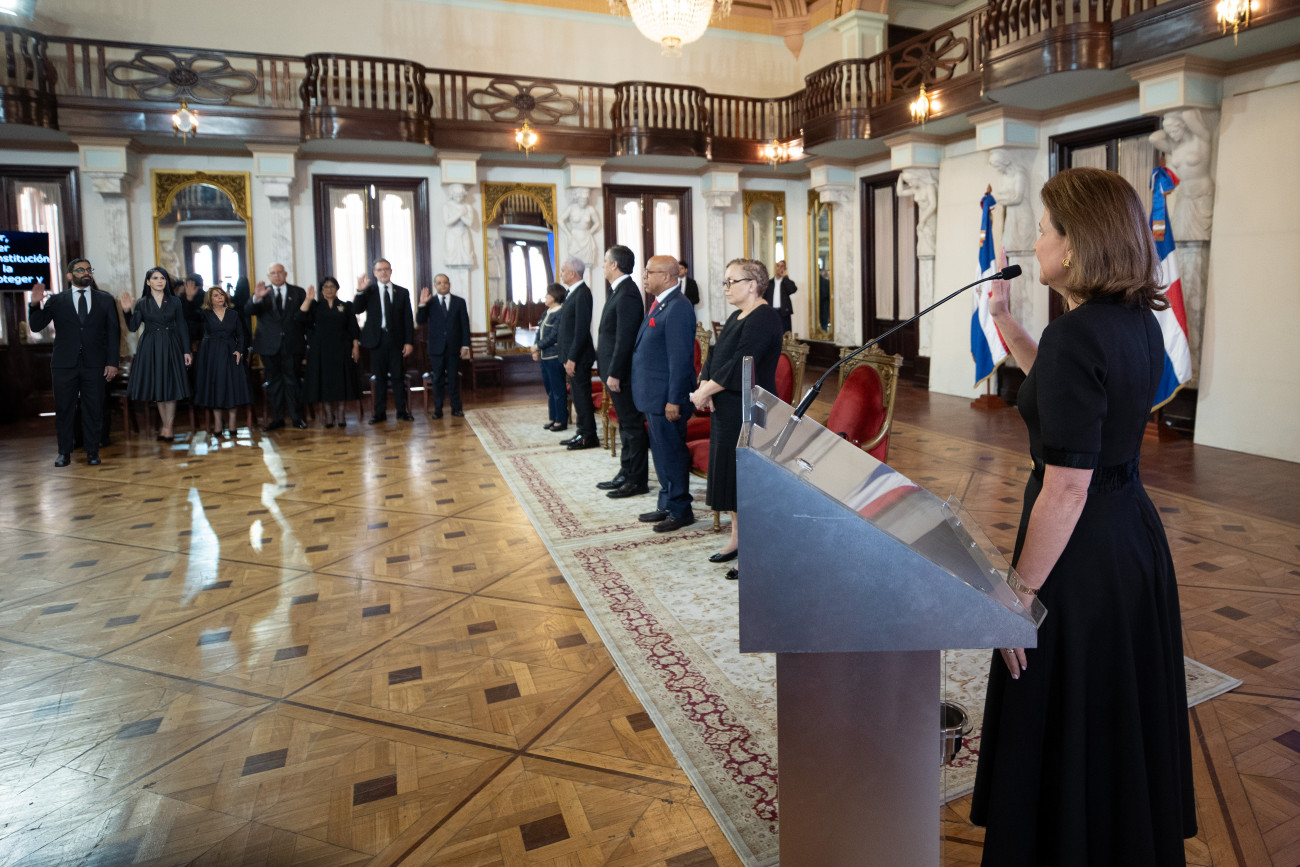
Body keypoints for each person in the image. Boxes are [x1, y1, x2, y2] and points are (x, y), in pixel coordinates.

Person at [969, 167, 1196, 865]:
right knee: (1112, 704)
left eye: (1044, 229)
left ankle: (1062, 843)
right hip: (1130, 538)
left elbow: (1067, 488)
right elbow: (1063, 389)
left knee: (1063, 701)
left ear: (1075, 244)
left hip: (1080, 552)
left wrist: (1020, 594)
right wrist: (1004, 320)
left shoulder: (1077, 336)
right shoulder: (1137, 324)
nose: (1035, 242)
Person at [688, 259, 783, 577]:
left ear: (753, 285)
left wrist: (705, 392)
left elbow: (744, 361)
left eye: (732, 281)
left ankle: (754, 551)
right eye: (725, 282)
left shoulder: (765, 318)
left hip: (750, 409)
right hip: (727, 408)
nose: (726, 287)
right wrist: (704, 384)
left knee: (747, 482)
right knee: (730, 477)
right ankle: (737, 539)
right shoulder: (736, 314)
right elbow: (716, 354)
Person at [27, 258, 120, 466]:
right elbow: (36, 326)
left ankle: (92, 452)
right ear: (69, 276)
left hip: (95, 364)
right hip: (64, 364)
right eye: (80, 270)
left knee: (93, 409)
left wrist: (112, 362)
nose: (86, 273)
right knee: (64, 409)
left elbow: (113, 333)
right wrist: (34, 304)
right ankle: (64, 453)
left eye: (89, 269)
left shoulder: (105, 300)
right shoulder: (56, 300)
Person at [632, 254, 698, 533]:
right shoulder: (661, 303)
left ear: (668, 276)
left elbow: (680, 359)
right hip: (653, 394)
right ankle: (666, 503)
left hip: (667, 398)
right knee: (660, 452)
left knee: (671, 452)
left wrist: (673, 399)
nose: (644, 277)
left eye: (649, 272)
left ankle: (681, 509)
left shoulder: (679, 307)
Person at [596, 245, 649, 497]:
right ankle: (626, 472)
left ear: (615, 264)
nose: (603, 265)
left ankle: (637, 480)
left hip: (622, 373)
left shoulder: (627, 292)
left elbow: (625, 338)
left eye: (605, 261)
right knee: (626, 426)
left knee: (631, 426)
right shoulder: (618, 290)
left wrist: (615, 372)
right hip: (614, 370)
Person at [121, 266, 192, 442]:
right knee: (159, 386)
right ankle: (166, 427)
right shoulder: (142, 302)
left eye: (162, 278)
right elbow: (133, 327)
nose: (159, 281)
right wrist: (127, 311)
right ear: (148, 282)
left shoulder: (175, 301)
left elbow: (182, 326)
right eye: (155, 278)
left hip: (171, 344)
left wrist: (187, 350)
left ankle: (168, 428)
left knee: (171, 386)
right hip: (150, 346)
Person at [245, 263, 308, 431]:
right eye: (273, 273)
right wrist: (256, 298)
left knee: (293, 381)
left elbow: (305, 317)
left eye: (279, 272)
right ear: (269, 276)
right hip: (269, 346)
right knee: (274, 383)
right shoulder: (262, 292)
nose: (277, 275)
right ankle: (277, 419)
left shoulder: (298, 292)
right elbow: (248, 310)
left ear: (285, 274)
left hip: (292, 344)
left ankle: (297, 418)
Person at [354, 258, 415, 423]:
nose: (383, 272)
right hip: (376, 341)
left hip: (396, 342)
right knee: (379, 379)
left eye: (386, 269)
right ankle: (379, 413)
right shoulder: (369, 291)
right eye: (379, 270)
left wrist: (409, 342)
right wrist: (359, 291)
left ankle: (402, 412)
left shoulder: (402, 292)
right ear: (374, 273)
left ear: (391, 271)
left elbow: (408, 319)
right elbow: (356, 309)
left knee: (397, 378)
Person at [301, 277, 361, 428]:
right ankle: (328, 414)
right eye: (326, 287)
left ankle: (340, 413)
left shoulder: (345, 306)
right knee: (325, 382)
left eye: (332, 286)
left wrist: (355, 347)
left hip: (342, 348)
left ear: (337, 288)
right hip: (320, 350)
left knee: (341, 381)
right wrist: (308, 299)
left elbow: (353, 328)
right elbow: (302, 320)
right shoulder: (315, 306)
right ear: (321, 290)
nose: (329, 289)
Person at [193, 285, 251, 437]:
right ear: (209, 299)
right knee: (215, 389)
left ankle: (232, 423)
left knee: (233, 388)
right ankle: (218, 424)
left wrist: (239, 350)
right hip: (211, 355)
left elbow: (241, 335)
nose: (219, 297)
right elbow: (192, 328)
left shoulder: (234, 314)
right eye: (215, 295)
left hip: (231, 353)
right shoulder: (204, 314)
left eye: (221, 294)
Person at [556, 256, 598, 449]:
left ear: (573, 273)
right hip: (572, 356)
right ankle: (582, 432)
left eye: (563, 271)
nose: (561, 274)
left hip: (579, 357)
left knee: (582, 396)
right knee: (578, 396)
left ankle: (588, 436)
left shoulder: (582, 293)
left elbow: (581, 330)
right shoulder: (572, 292)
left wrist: (572, 357)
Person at [417, 273, 472, 419]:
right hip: (436, 348)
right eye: (439, 283)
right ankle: (438, 409)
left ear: (449, 284)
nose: (443, 285)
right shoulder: (430, 302)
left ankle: (456, 408)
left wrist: (465, 345)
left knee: (454, 379)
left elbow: (465, 325)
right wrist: (422, 304)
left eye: (445, 282)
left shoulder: (459, 302)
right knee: (438, 380)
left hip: (454, 348)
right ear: (435, 285)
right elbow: (420, 321)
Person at [532, 282, 567, 432]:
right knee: (550, 389)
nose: (545, 297)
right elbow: (538, 332)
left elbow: (554, 336)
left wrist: (537, 346)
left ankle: (561, 420)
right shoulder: (546, 313)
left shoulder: (560, 313)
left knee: (558, 389)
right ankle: (552, 417)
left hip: (554, 357)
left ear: (554, 296)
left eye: (548, 294)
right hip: (544, 357)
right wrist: (535, 348)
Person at [560, 188, 601, 275]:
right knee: (574, 264)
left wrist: (590, 232)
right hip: (574, 237)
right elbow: (560, 220)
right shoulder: (571, 208)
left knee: (586, 265)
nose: (583, 202)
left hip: (586, 237)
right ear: (577, 199)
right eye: (582, 199)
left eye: (585, 200)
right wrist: (568, 233)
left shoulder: (590, 209)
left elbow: (597, 223)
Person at [444, 184, 476, 266]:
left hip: (464, 232)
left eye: (461, 196)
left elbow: (469, 223)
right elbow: (447, 222)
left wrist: (461, 216)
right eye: (456, 196)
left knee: (467, 257)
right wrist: (459, 214)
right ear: (452, 195)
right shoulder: (447, 206)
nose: (459, 198)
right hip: (452, 233)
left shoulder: (468, 207)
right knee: (451, 257)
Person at [763, 259, 798, 334]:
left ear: (785, 269)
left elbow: (793, 290)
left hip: (784, 313)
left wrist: (785, 277)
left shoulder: (786, 281)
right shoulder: (769, 283)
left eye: (782, 266)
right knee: (772, 333)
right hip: (771, 312)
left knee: (785, 334)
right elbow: (764, 297)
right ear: (775, 268)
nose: (779, 268)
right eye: (778, 266)